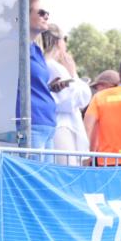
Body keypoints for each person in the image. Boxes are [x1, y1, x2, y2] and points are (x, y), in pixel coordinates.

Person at [40, 23, 91, 165]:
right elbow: (76, 99)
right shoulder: (55, 67)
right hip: (62, 126)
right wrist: (73, 73)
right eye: (65, 39)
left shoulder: (42, 64)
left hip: (54, 125)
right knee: (66, 173)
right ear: (58, 42)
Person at [18, 0, 57, 153]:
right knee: (32, 177)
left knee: (44, 176)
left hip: (46, 124)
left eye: (47, 13)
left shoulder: (36, 49)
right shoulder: (12, 45)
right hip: (31, 124)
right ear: (24, 15)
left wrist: (50, 87)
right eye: (41, 13)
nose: (46, 16)